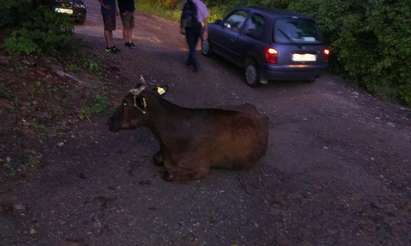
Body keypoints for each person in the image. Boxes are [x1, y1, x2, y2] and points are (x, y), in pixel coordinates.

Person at [180, 0, 208, 72]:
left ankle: (195, 65)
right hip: (199, 27)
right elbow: (205, 20)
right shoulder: (203, 6)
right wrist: (205, 31)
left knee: (191, 47)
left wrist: (182, 27)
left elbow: (184, 15)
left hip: (190, 27)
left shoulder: (190, 2)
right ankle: (188, 62)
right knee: (193, 46)